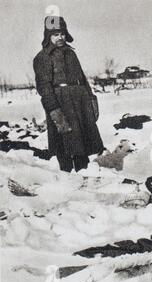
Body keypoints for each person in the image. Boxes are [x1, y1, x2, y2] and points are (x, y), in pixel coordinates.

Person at [33, 16, 104, 172]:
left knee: (82, 145)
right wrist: (54, 111)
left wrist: (91, 100)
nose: (60, 37)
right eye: (56, 34)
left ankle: (84, 174)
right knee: (64, 146)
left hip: (80, 101)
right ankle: (66, 181)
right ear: (48, 36)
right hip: (61, 103)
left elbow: (82, 79)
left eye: (63, 33)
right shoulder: (43, 57)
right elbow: (44, 87)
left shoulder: (71, 54)